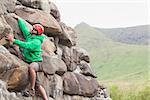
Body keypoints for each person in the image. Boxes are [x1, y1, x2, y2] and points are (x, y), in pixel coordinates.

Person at [6, 15, 48, 100]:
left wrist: (13, 40)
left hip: (37, 62)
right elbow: (24, 30)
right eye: (33, 29)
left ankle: (31, 89)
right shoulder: (30, 36)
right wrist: (19, 19)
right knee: (38, 84)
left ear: (38, 32)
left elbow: (26, 45)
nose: (32, 30)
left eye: (34, 30)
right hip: (29, 60)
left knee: (31, 67)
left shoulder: (36, 42)